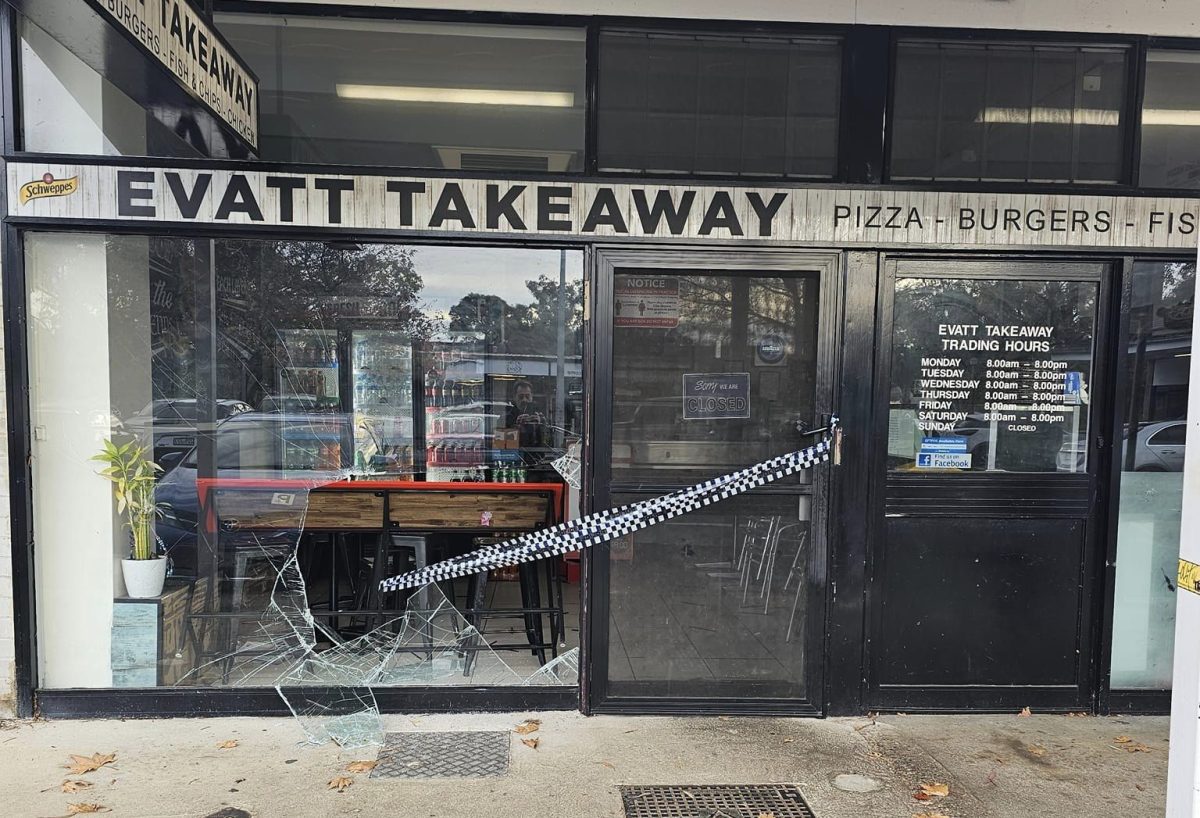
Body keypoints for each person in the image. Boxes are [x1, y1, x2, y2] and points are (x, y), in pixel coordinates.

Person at [505, 380, 546, 448]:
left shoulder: (540, 416)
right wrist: (515, 427)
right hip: (515, 456)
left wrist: (541, 426)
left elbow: (547, 443)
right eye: (521, 397)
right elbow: (502, 444)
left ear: (531, 397)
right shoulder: (506, 418)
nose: (524, 400)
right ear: (514, 397)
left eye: (527, 396)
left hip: (536, 457)